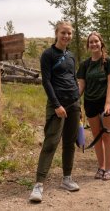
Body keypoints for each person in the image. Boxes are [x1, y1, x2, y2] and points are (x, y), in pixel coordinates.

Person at [29, 21, 81, 202]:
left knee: (69, 142)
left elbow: (73, 78)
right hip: (56, 105)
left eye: (69, 33)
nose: (66, 36)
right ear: (57, 33)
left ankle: (67, 179)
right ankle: (39, 185)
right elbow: (46, 82)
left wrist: (78, 103)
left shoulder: (71, 56)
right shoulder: (48, 54)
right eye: (63, 33)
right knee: (51, 143)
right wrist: (57, 105)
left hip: (74, 104)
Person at [77, 31, 110, 181]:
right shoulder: (84, 65)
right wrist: (75, 100)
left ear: (101, 43)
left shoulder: (109, 62)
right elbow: (81, 86)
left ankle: (109, 168)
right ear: (88, 46)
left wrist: (108, 103)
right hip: (90, 103)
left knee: (107, 135)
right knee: (96, 137)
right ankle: (101, 167)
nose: (94, 44)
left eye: (96, 41)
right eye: (91, 42)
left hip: (106, 102)